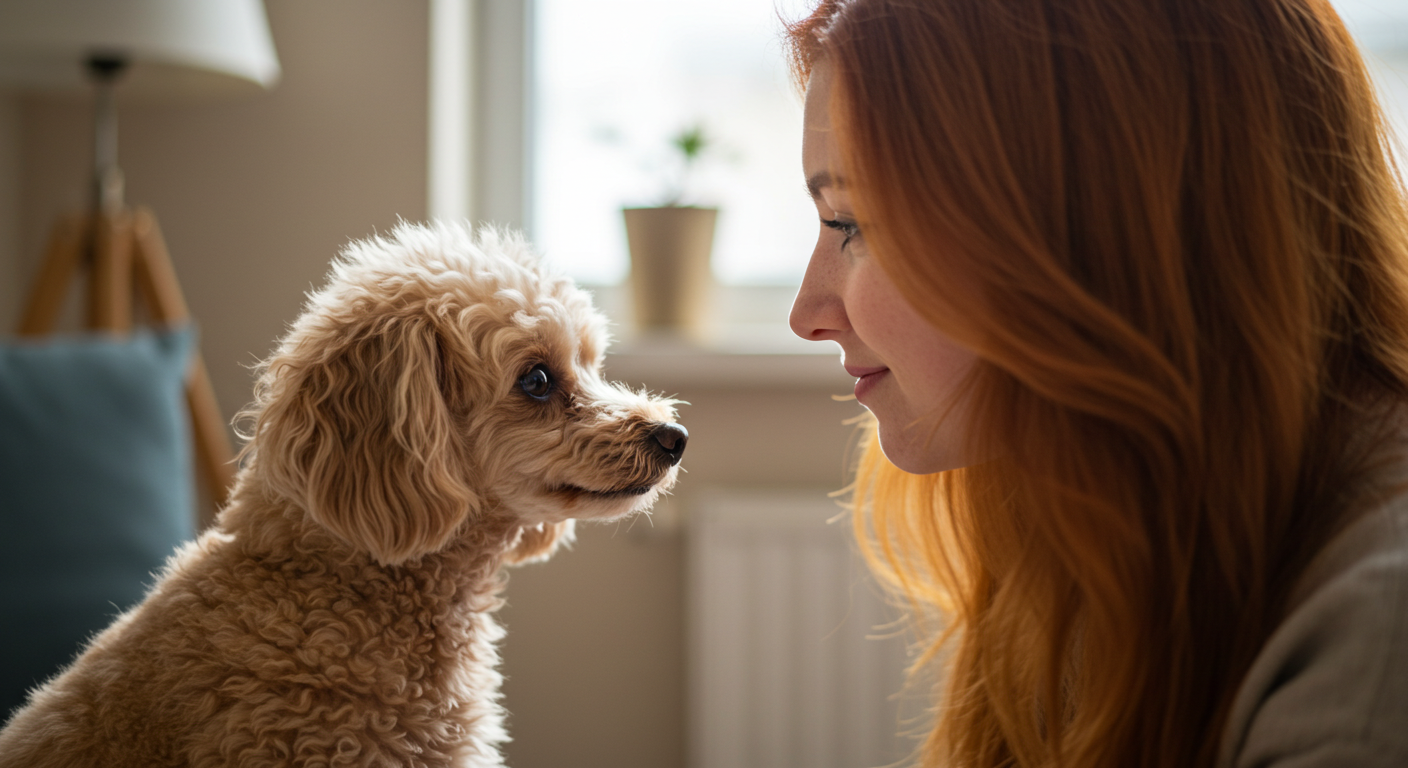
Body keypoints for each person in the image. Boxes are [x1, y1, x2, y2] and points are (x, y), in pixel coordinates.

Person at [785, 1, 1408, 767]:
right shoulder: (1097, 512)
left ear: (1090, 223)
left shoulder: (1375, 638)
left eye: (852, 223)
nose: (807, 314)